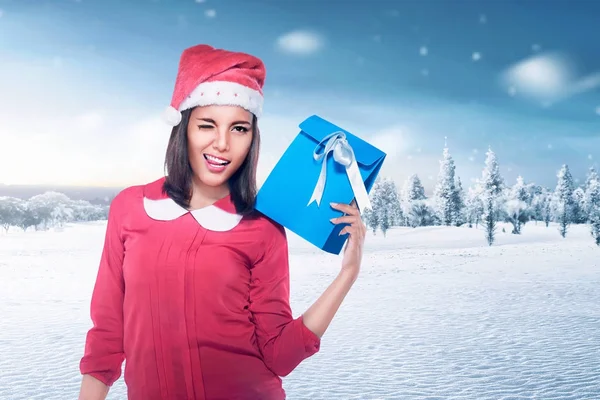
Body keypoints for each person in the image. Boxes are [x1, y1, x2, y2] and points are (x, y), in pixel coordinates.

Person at [78, 44, 366, 400]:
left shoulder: (262, 229)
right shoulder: (130, 208)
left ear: (251, 139)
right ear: (182, 128)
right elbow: (107, 334)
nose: (222, 144)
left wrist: (347, 275)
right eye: (206, 125)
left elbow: (278, 354)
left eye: (239, 129)